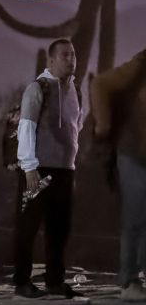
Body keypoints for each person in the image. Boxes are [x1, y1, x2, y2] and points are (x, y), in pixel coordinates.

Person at [11, 39, 83, 299]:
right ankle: (21, 282)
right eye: (64, 55)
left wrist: (71, 157)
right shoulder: (38, 88)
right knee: (27, 227)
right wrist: (29, 166)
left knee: (59, 229)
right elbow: (26, 127)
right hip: (38, 169)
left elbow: (76, 125)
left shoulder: (76, 90)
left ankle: (55, 280)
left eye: (72, 54)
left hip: (65, 169)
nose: (71, 59)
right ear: (50, 60)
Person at [90, 47, 146, 301]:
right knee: (135, 217)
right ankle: (129, 281)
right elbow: (101, 83)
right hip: (134, 152)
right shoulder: (141, 64)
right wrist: (103, 126)